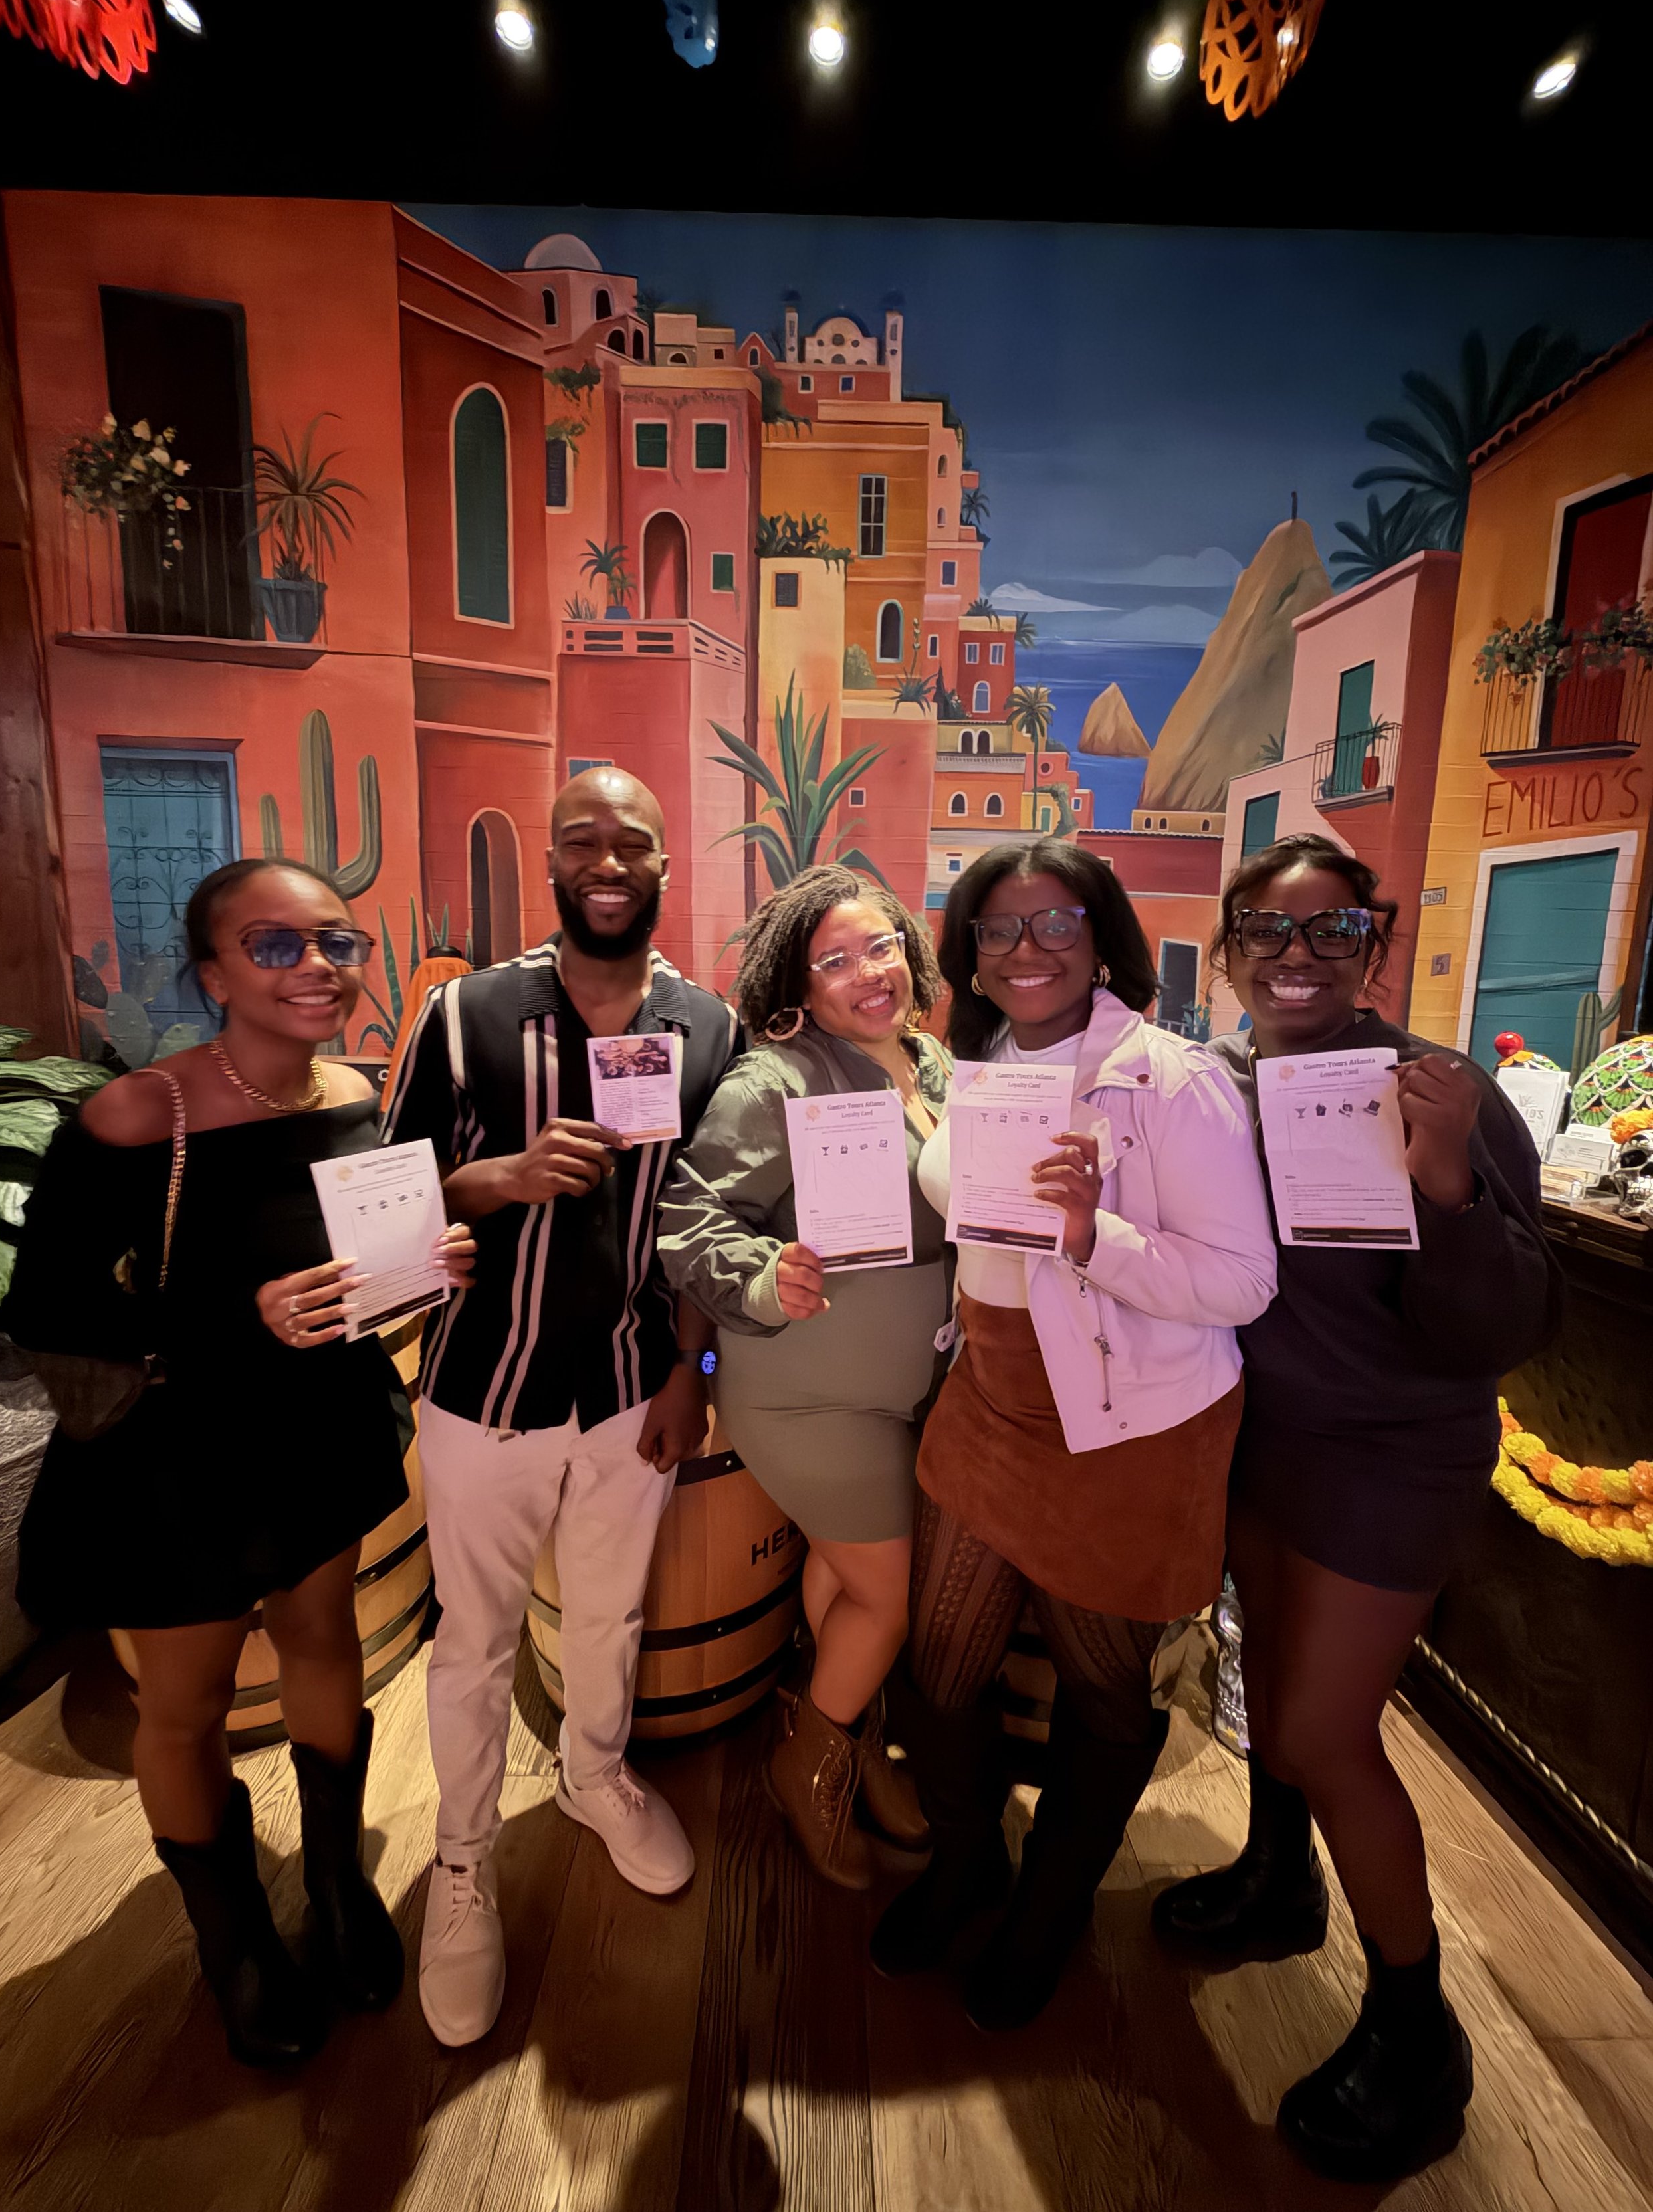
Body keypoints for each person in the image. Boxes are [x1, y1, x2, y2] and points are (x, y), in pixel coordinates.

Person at [4, 858, 475, 2066]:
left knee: (323, 1640)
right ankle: (233, 1942)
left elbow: (350, 1264)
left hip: (319, 1425)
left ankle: (336, 1880)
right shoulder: (137, 1115)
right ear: (212, 973)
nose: (317, 965)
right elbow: (46, 1306)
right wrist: (237, 1314)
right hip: (178, 1455)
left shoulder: (352, 1094)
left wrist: (425, 1262)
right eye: (274, 945)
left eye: (336, 941)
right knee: (187, 1703)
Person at [1150, 834, 1561, 2181]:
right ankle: (1279, 1879)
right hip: (1260, 1440)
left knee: (1325, 1731)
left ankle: (1416, 2027)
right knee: (1270, 1682)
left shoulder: (1437, 1090)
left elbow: (1507, 1323)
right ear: (1228, 951)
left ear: (1372, 947)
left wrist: (1445, 1181)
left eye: (1332, 929)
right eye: (1266, 929)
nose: (1296, 954)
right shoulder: (1214, 1087)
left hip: (1390, 1454)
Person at [871, 839, 1277, 2031]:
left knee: (1103, 1689)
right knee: (938, 1674)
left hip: (1126, 1426)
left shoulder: (1173, 1080)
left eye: (1056, 922)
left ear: (1102, 939)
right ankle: (969, 1862)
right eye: (999, 928)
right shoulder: (982, 1060)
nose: (1027, 947)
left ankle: (1049, 1908)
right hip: (992, 1401)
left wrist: (1097, 1235)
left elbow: (1245, 1280)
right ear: (971, 954)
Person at [385, 767, 738, 2049]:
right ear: (549, 863)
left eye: (631, 841)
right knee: (473, 1640)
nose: (607, 860)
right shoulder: (466, 1012)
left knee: (610, 1612)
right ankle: (463, 1862)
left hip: (635, 1389)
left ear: (661, 865)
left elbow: (711, 1219)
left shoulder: (708, 1025)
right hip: (484, 1389)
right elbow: (392, 1195)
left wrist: (693, 1372)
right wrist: (502, 1177)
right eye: (581, 840)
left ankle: (594, 1774)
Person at [658, 866, 951, 1889]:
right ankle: (810, 1765)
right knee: (889, 1598)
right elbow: (689, 1219)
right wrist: (762, 1273)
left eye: (881, 946)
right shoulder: (775, 1081)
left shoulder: (936, 1064)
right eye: (835, 960)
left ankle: (853, 1742)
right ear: (800, 984)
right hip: (810, 1395)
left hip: (911, 1393)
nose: (868, 972)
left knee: (840, 1575)